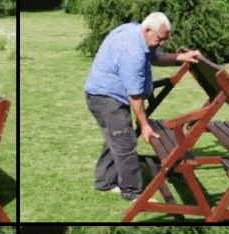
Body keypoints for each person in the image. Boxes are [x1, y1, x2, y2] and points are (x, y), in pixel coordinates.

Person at [84, 12, 202, 201]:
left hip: (101, 93)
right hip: (105, 97)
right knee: (125, 141)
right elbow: (135, 96)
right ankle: (132, 192)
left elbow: (155, 57)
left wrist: (179, 57)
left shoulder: (137, 33)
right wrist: (145, 126)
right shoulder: (133, 52)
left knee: (116, 136)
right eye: (160, 38)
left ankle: (104, 182)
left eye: (165, 39)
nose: (162, 43)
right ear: (148, 30)